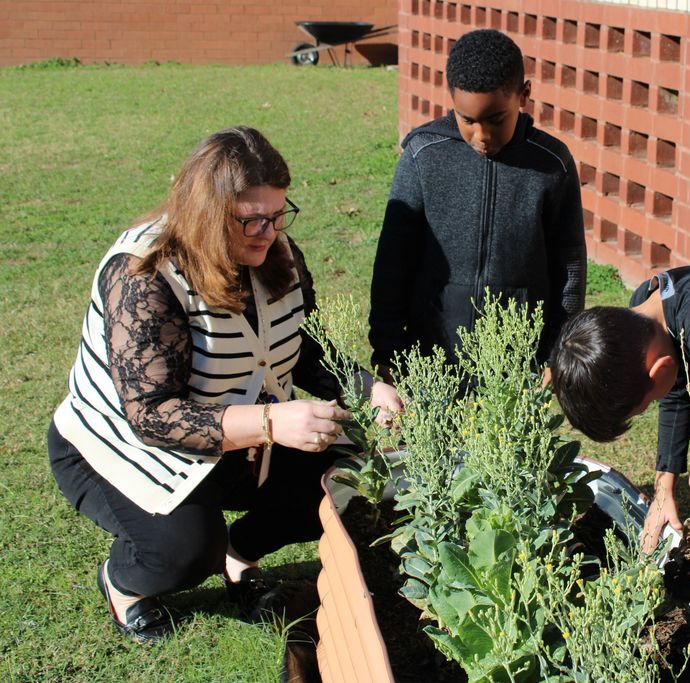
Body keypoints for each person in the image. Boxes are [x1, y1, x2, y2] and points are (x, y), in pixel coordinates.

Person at [48, 126, 402, 642]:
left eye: (278, 215)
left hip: (243, 444)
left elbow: (303, 346)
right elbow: (151, 416)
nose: (268, 231)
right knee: (186, 553)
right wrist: (270, 420)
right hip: (122, 449)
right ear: (207, 213)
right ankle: (126, 582)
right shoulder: (143, 274)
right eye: (250, 219)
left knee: (348, 478)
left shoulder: (275, 248)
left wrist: (367, 387)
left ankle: (239, 555)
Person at [369, 28, 586, 381]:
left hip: (517, 364)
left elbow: (569, 266)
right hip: (430, 357)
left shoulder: (552, 164)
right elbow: (393, 259)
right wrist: (388, 347)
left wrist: (559, 351)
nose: (481, 136)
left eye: (496, 119)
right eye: (467, 120)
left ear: (524, 95)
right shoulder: (424, 155)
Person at [549, 266, 690, 549]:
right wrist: (664, 488)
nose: (655, 403)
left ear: (659, 370)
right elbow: (676, 388)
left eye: (647, 403)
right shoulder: (645, 311)